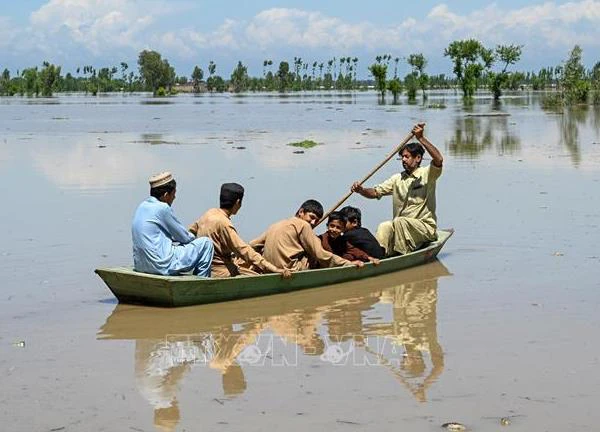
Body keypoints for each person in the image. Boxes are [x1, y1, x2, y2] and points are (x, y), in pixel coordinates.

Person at [351, 123, 443, 256]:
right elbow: (376, 192)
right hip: (402, 228)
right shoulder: (397, 179)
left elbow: (439, 159)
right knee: (385, 226)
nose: (403, 160)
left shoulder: (427, 174)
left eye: (407, 156)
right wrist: (361, 190)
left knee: (400, 221)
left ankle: (401, 254)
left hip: (424, 228)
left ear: (418, 158)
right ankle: (379, 255)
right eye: (402, 157)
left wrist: (421, 138)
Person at [188, 183, 291, 278]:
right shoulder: (224, 223)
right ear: (238, 202)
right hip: (222, 272)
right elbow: (243, 250)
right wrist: (274, 268)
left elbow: (191, 231)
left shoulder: (209, 213)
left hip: (203, 268)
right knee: (256, 275)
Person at [132, 172, 214, 277]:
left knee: (178, 246)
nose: (174, 197)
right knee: (206, 244)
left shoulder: (142, 206)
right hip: (161, 265)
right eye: (173, 194)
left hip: (140, 265)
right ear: (166, 195)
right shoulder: (163, 208)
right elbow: (185, 238)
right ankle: (201, 283)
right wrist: (195, 238)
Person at [249, 199, 362, 271]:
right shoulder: (303, 225)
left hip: (270, 269)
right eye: (311, 217)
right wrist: (347, 264)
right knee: (316, 246)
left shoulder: (276, 224)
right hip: (290, 269)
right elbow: (320, 254)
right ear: (301, 212)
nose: (313, 223)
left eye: (316, 220)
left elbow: (253, 244)